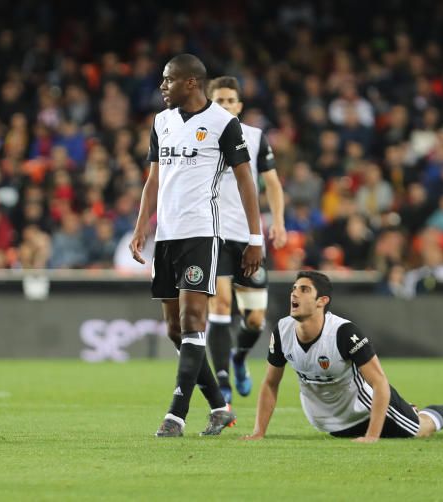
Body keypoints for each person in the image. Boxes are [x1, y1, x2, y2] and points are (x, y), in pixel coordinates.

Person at [129, 54, 263, 437]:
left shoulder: (224, 124)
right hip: (166, 237)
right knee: (175, 330)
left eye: (168, 79)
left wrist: (255, 239)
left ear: (190, 83)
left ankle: (176, 414)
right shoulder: (162, 122)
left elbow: (245, 182)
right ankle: (220, 407)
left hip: (201, 235)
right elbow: (153, 179)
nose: (162, 86)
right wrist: (141, 226)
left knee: (191, 323)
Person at [243, 271, 443, 442]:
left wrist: (371, 437)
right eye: (294, 289)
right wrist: (258, 432)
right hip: (330, 422)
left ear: (321, 301)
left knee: (418, 429)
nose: (294, 294)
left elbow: (379, 383)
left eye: (304, 290)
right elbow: (270, 384)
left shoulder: (343, 333)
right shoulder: (282, 330)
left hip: (364, 409)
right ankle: (406, 410)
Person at [205, 76, 288, 404]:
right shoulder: (200, 139)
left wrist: (278, 221)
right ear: (209, 104)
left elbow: (273, 184)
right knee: (221, 302)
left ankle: (239, 358)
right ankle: (222, 380)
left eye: (230, 101)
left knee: (254, 319)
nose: (225, 106)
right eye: (219, 101)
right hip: (214, 235)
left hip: (249, 238)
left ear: (239, 106)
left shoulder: (255, 138)